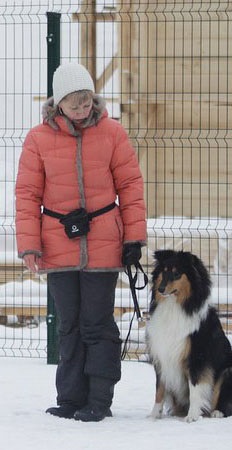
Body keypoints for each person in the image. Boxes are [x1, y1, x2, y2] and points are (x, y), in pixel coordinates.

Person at [15, 62, 147, 422]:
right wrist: (29, 244)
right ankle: (70, 398)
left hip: (104, 241)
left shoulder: (113, 133)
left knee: (97, 323)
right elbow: (27, 195)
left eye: (86, 101)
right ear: (58, 103)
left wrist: (134, 237)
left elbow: (131, 188)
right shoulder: (37, 139)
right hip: (58, 243)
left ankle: (99, 400)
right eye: (74, 103)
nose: (81, 109)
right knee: (69, 324)